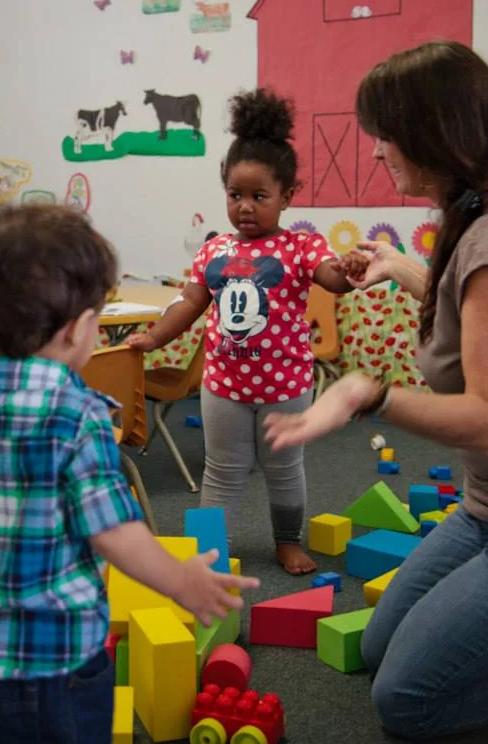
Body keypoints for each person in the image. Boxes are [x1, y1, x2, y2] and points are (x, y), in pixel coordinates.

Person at [0, 204, 259, 744]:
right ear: (81, 329)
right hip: (55, 668)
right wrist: (181, 581)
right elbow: (115, 533)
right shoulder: (77, 416)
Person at [264, 41, 488, 740]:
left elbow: (486, 418)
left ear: (432, 134)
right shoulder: (469, 218)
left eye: (385, 135)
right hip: (480, 510)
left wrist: (369, 395)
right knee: (374, 645)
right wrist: (400, 267)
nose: (375, 150)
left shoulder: (486, 240)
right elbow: (466, 317)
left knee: (408, 702)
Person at [130, 89, 356, 574]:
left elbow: (332, 279)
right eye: (235, 195)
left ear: (287, 196)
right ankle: (209, 553)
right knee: (221, 471)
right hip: (224, 386)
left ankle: (287, 540)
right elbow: (189, 303)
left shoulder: (302, 247)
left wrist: (351, 270)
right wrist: (154, 338)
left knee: (283, 469)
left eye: (259, 197)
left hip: (285, 387)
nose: (245, 207)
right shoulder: (214, 251)